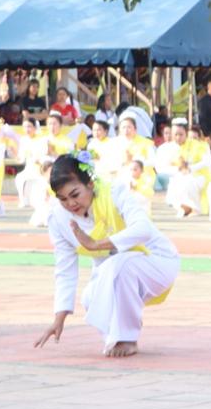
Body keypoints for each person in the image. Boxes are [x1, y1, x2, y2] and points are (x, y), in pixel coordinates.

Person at [38, 150, 178, 359]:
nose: (70, 204)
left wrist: (97, 244)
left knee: (118, 267)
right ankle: (115, 337)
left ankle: (127, 338)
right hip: (114, 272)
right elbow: (65, 269)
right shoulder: (58, 219)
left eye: (75, 195)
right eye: (63, 199)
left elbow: (143, 229)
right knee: (91, 296)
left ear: (90, 185)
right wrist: (59, 317)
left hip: (157, 262)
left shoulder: (114, 192)